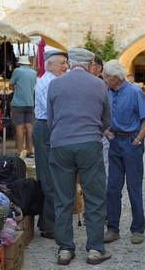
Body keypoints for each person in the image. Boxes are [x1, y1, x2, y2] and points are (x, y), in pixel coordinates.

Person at [47, 48, 112, 265]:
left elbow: (50, 119)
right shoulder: (99, 84)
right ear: (90, 64)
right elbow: (106, 119)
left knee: (63, 199)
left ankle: (65, 249)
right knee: (94, 198)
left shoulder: (55, 84)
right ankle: (95, 249)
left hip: (60, 144)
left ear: (70, 62)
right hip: (89, 144)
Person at [102, 60, 145, 245]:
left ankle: (138, 229)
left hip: (131, 142)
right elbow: (102, 115)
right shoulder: (107, 91)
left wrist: (137, 140)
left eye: (106, 76)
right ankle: (113, 229)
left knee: (134, 188)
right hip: (115, 141)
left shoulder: (134, 91)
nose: (103, 78)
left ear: (115, 78)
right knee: (113, 189)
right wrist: (106, 132)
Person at [32, 49, 69, 240]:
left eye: (66, 62)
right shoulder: (50, 82)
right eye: (61, 62)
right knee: (49, 177)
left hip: (47, 127)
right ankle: (49, 225)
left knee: (49, 175)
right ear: (49, 64)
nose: (65, 66)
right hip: (46, 128)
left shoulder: (50, 80)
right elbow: (55, 110)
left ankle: (46, 222)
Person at [9, 55, 36, 157]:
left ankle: (20, 151)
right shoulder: (34, 72)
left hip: (18, 103)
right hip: (30, 103)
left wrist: (17, 89)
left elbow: (10, 85)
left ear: (20, 63)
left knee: (19, 127)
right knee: (29, 127)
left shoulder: (17, 71)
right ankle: (30, 150)